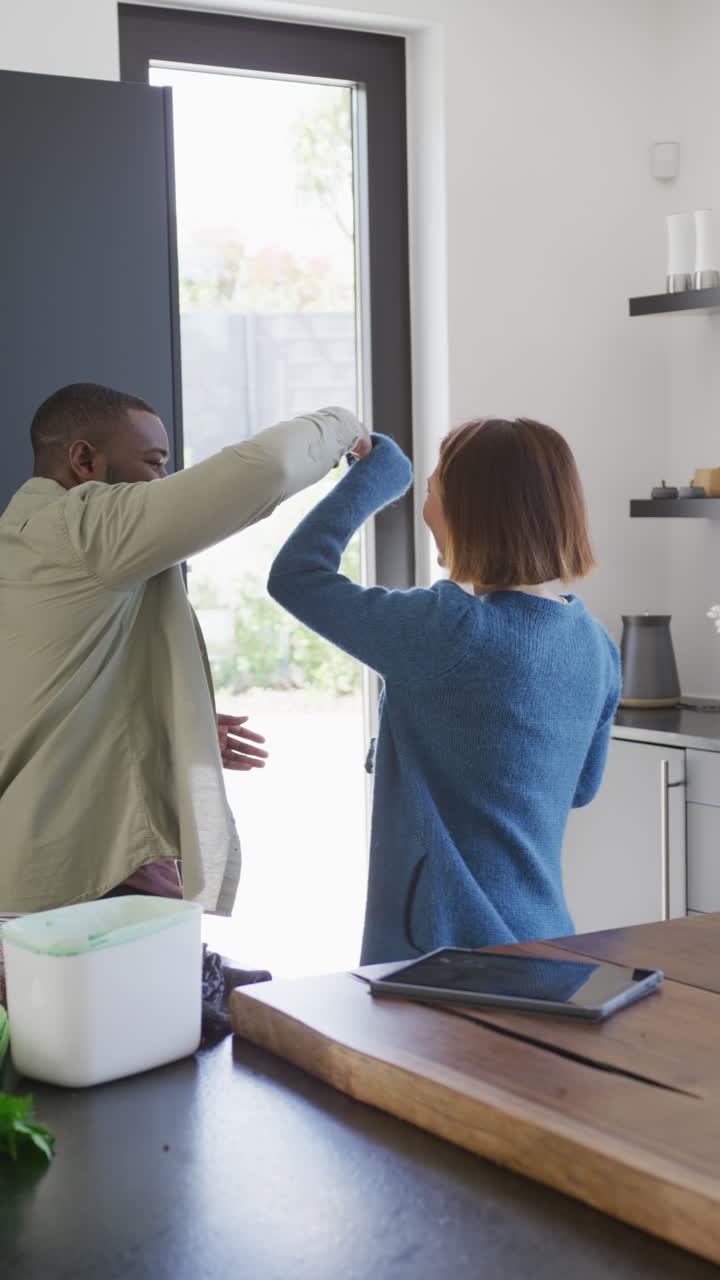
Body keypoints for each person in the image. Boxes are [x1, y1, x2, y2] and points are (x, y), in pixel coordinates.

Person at [0, 383, 370, 916]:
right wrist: (343, 426)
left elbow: (51, 702)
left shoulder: (25, 537)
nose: (165, 482)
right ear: (84, 459)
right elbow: (263, 470)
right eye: (154, 464)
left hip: (45, 874)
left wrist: (166, 727)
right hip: (84, 888)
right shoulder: (85, 527)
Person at [267, 417, 621, 964]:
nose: (427, 507)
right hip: (547, 944)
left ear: (472, 509)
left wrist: (381, 475)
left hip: (442, 953)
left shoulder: (447, 628)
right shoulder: (596, 645)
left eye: (431, 491)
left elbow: (296, 575)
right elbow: (579, 788)